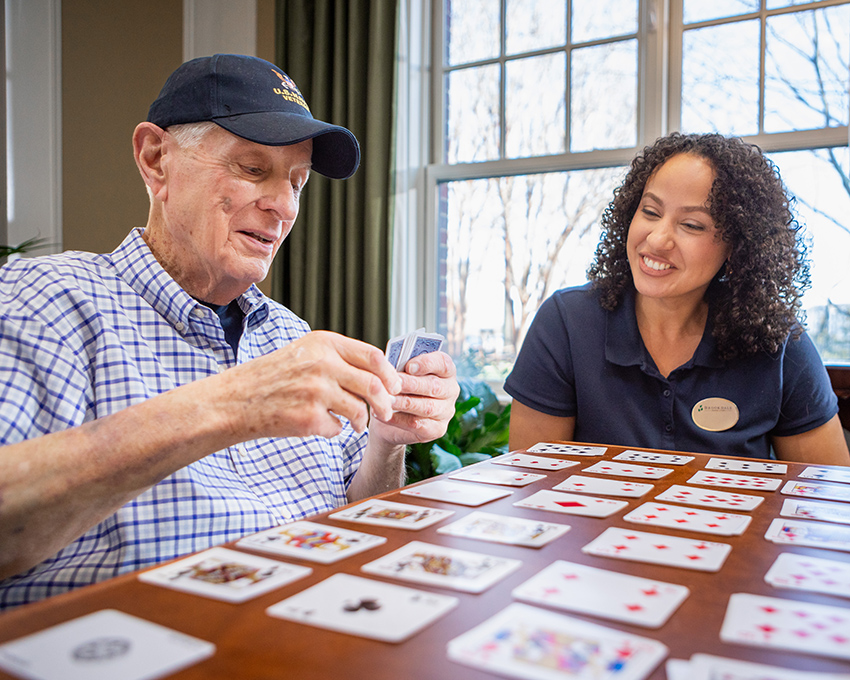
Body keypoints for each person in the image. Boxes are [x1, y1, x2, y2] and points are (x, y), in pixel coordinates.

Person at [0, 54, 458, 609]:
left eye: (296, 181)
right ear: (156, 159)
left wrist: (386, 442)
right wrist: (232, 404)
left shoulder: (292, 335)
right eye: (252, 169)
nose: (284, 206)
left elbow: (360, 511)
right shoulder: (44, 299)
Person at [506, 132, 849, 464]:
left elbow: (826, 498)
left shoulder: (778, 342)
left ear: (739, 246)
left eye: (692, 225)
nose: (657, 239)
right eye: (651, 212)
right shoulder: (566, 322)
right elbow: (532, 481)